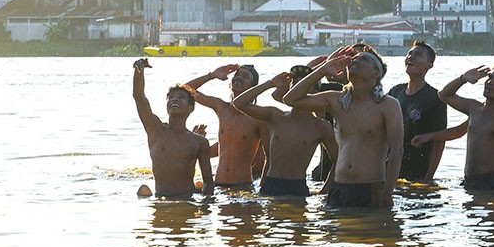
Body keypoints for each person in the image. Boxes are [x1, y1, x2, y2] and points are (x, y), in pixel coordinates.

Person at [283, 45, 403, 208]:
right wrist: (323, 69)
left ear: (376, 74)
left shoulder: (387, 105)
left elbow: (397, 150)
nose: (355, 61)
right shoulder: (337, 100)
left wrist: (388, 193)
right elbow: (290, 99)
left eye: (364, 59)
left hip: (370, 187)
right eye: (354, 59)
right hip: (339, 188)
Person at [232, 67, 338, 197]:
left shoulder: (320, 126)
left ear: (314, 90)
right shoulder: (276, 116)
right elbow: (238, 103)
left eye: (301, 85)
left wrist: (325, 190)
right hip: (270, 184)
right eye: (294, 85)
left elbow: (337, 161)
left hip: (297, 187)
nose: (296, 90)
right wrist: (270, 83)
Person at [438, 63, 494, 193]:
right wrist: (463, 79)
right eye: (490, 77)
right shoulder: (474, 108)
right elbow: (444, 95)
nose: (490, 82)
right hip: (469, 182)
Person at [130, 58, 214, 197]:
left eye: (181, 97)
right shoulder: (155, 129)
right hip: (160, 198)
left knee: (198, 185)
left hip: (187, 200)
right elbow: (139, 97)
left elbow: (209, 182)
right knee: (143, 190)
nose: (174, 99)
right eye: (170, 98)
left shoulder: (199, 142)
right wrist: (139, 72)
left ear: (190, 108)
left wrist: (205, 209)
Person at [184, 63, 269, 187]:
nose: (239, 78)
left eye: (245, 76)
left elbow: (270, 158)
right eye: (237, 74)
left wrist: (263, 187)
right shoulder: (221, 108)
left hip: (243, 186)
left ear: (253, 87)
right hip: (218, 184)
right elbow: (186, 89)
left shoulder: (258, 118)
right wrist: (212, 75)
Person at [388, 40, 447, 181]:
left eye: (418, 55)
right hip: (391, 166)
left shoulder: (435, 98)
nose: (411, 57)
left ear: (429, 65)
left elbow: (440, 140)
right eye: (409, 53)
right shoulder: (395, 92)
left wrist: (428, 177)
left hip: (418, 170)